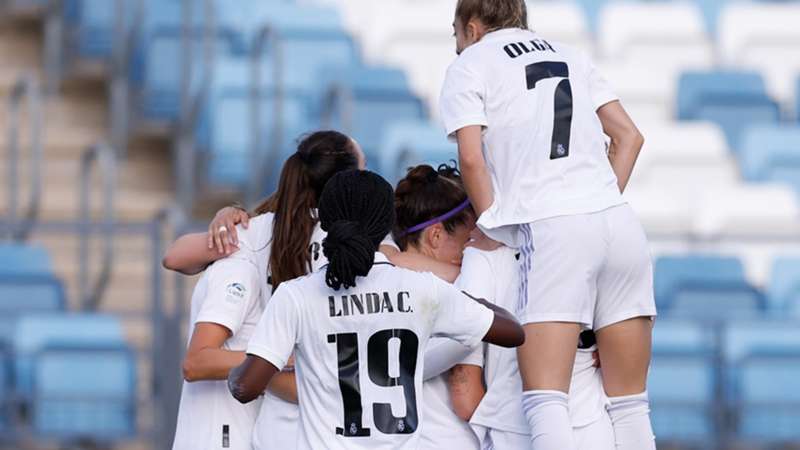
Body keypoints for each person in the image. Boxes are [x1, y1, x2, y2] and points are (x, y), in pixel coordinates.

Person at [439, 1, 656, 449]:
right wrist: (595, 201)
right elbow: (630, 138)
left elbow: (471, 159)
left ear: (472, 28)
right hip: (619, 221)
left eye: (456, 35)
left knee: (544, 398)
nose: (457, 45)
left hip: (555, 229)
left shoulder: (470, 63)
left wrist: (493, 226)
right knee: (630, 404)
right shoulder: (571, 53)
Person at [227, 170, 526, 450]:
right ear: (386, 227)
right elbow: (513, 332)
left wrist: (238, 370)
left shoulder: (295, 295)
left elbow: (244, 388)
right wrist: (474, 296)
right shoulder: (422, 290)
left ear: (327, 223)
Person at [390, 164, 614, 450]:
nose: (478, 243)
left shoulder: (382, 279)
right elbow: (465, 395)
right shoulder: (466, 283)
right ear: (435, 236)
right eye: (471, 236)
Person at [166, 131, 365, 450]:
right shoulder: (249, 246)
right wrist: (273, 359)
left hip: (261, 430)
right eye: (362, 174)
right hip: (221, 436)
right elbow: (196, 363)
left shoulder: (319, 242)